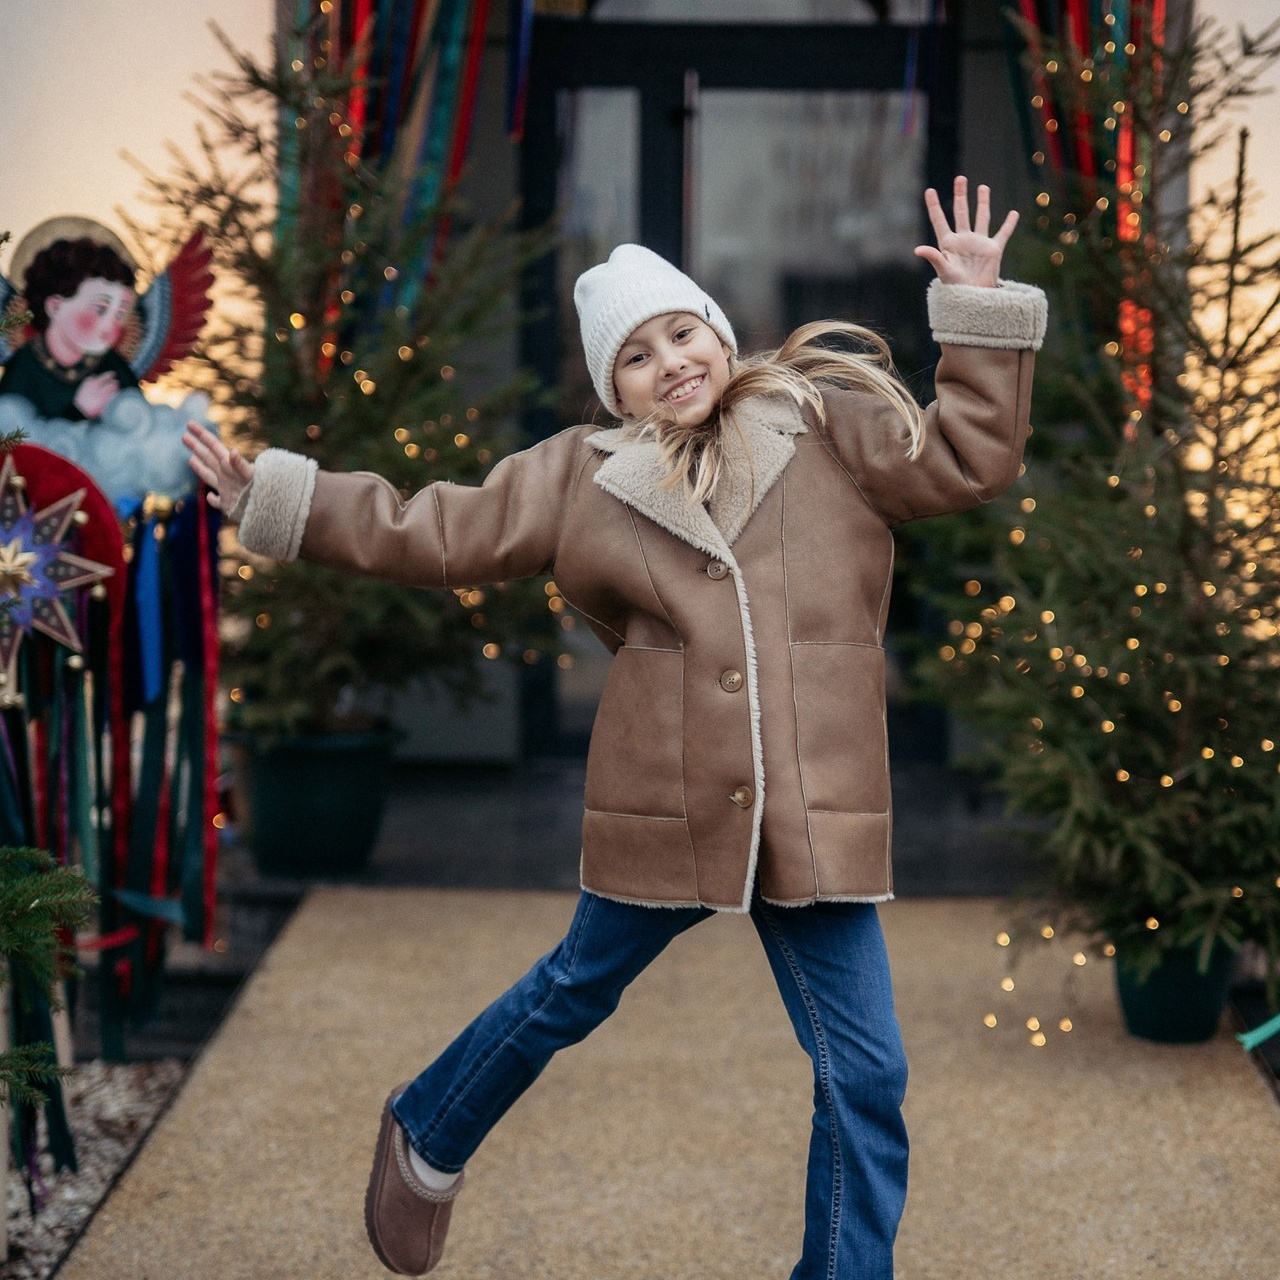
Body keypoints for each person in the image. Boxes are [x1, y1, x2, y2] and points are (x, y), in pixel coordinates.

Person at [184, 176, 1045, 1280]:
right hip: (668, 799)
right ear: (613, 386)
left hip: (813, 810)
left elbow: (970, 457)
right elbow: (431, 526)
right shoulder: (581, 476)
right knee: (570, 989)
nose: (671, 361)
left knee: (863, 1072)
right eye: (635, 354)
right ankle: (427, 1128)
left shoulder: (825, 424)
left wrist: (973, 311)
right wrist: (280, 498)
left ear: (719, 332)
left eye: (683, 331)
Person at [0, 237, 139, 421]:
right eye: (100, 309)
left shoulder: (114, 367)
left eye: (119, 314)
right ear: (55, 307)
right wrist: (78, 411)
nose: (111, 325)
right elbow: (12, 440)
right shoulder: (24, 368)